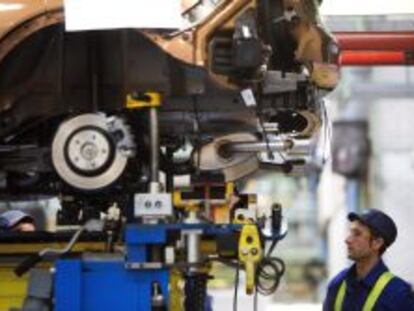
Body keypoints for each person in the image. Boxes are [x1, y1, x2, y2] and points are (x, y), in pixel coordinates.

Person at [323, 209, 414, 311]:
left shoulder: (397, 293)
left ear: (377, 243)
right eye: (350, 232)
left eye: (357, 234)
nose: (347, 240)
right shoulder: (337, 284)